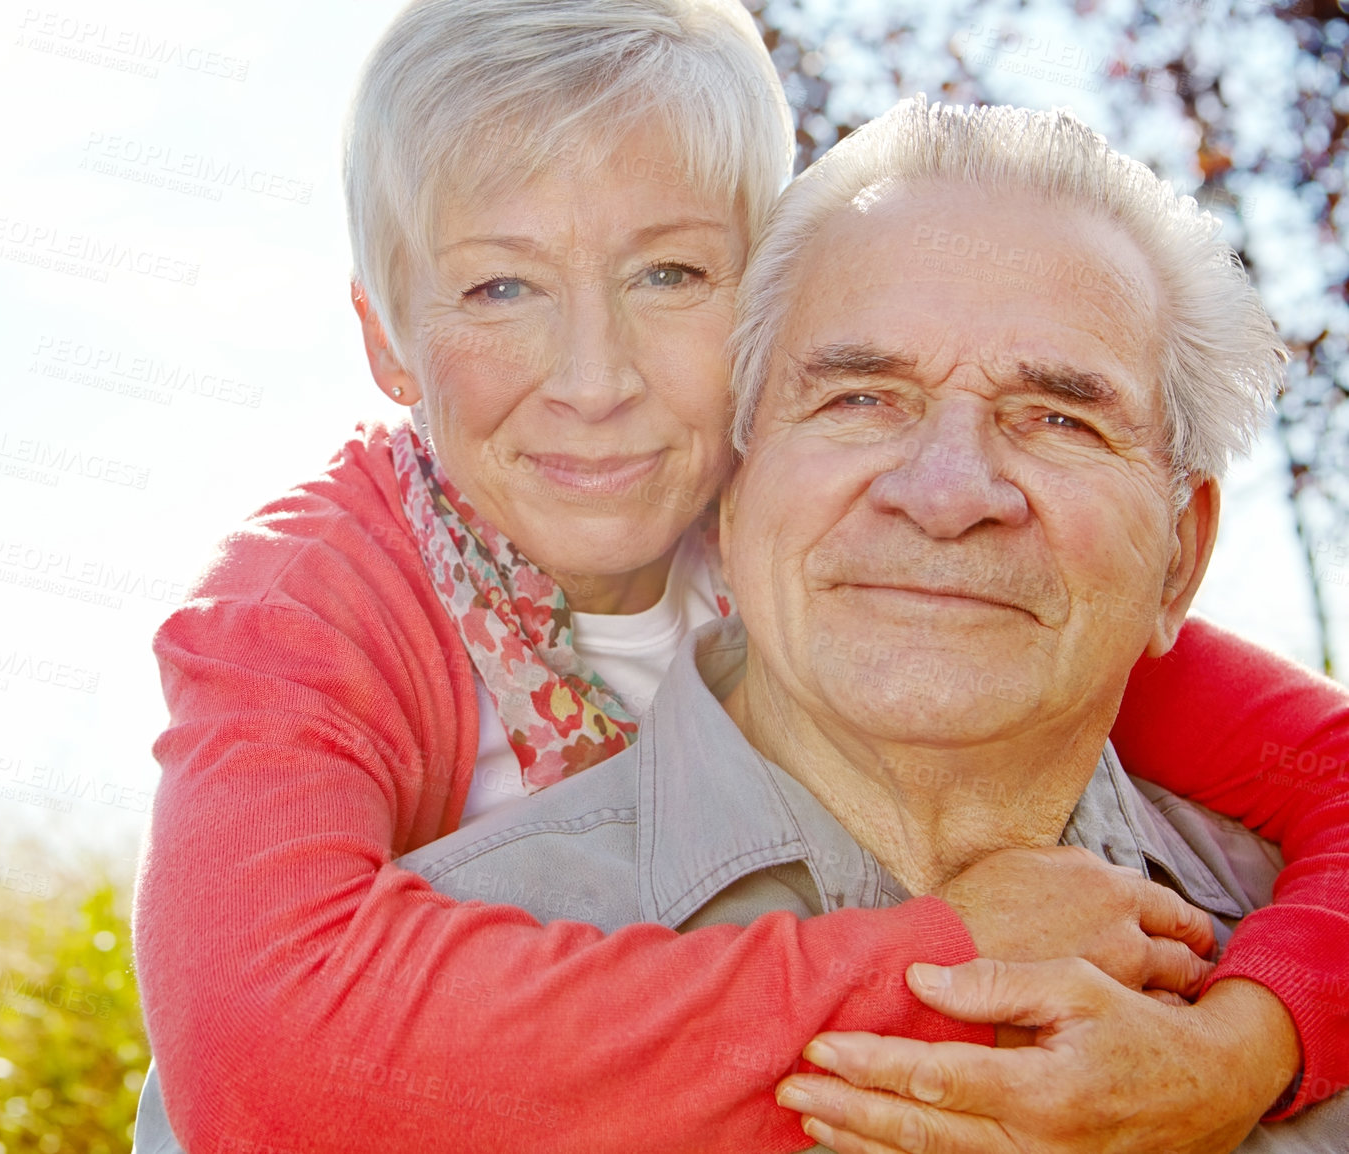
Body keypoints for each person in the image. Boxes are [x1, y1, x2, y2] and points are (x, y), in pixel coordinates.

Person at [131, 2, 1349, 1151]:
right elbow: (258, 1046)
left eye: (669, 276)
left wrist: (1245, 1043)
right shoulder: (302, 606)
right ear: (384, 340)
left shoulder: (933, 584)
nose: (594, 378)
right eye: (499, 287)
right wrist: (933, 963)